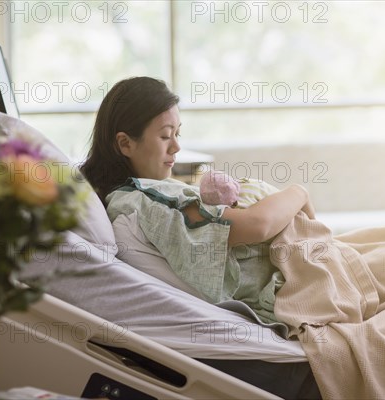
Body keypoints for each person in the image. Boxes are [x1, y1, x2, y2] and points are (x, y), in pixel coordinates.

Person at [81, 76, 314, 323]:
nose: (176, 147)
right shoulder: (149, 201)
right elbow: (258, 224)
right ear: (125, 144)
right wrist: (300, 192)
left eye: (178, 134)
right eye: (165, 136)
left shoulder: (147, 191)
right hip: (292, 286)